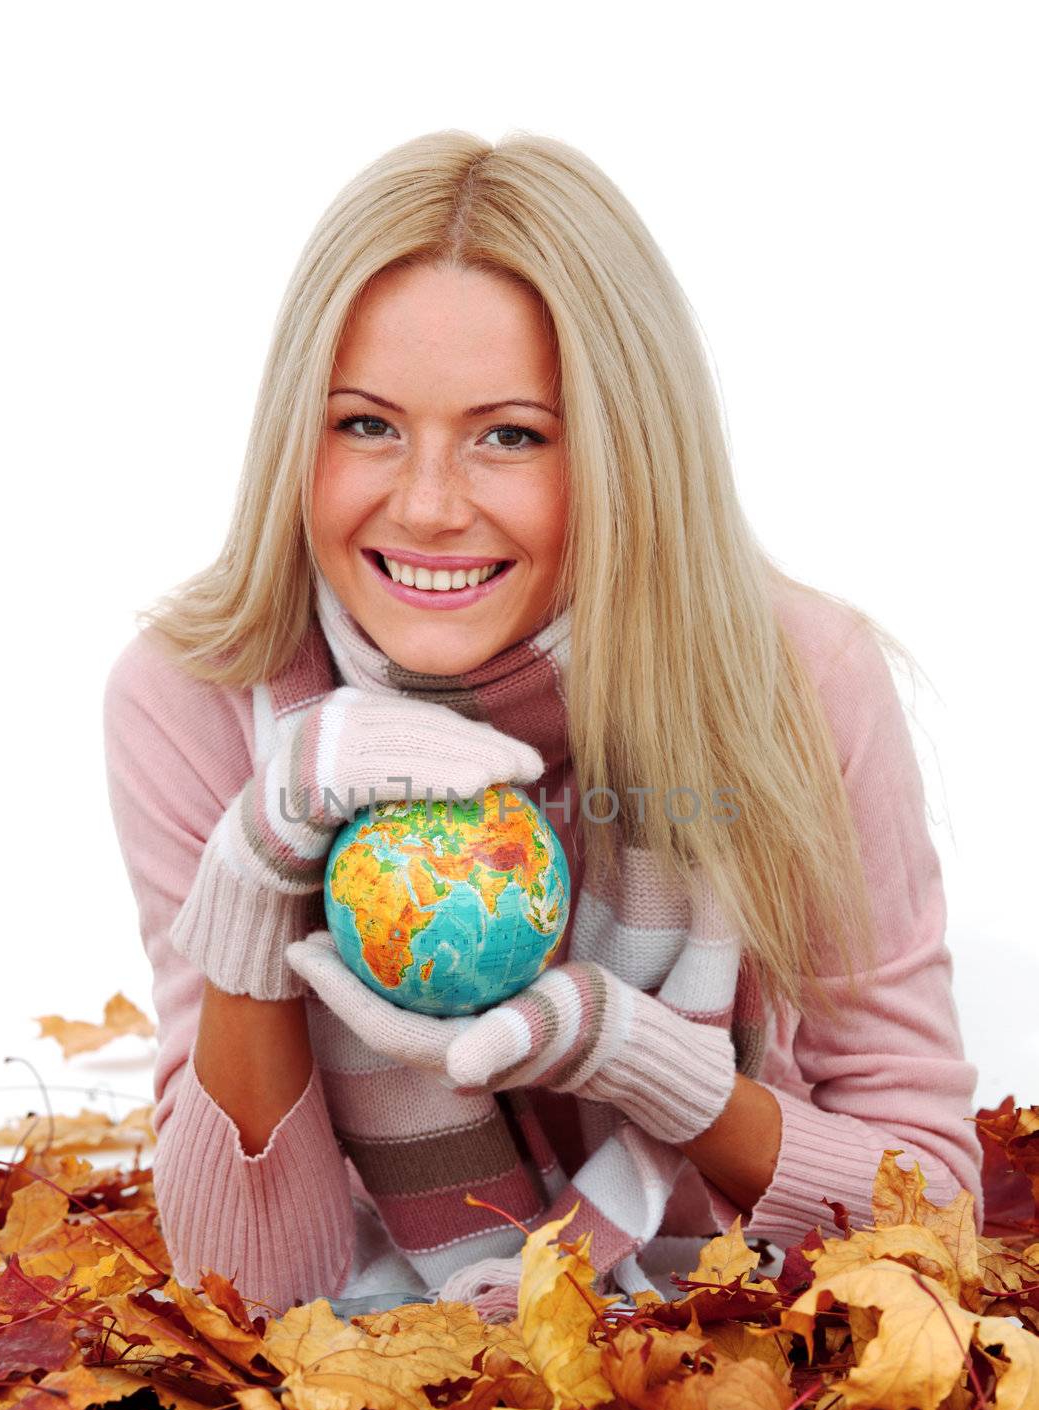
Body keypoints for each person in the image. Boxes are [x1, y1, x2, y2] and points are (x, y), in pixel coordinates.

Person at [102, 129, 984, 1321]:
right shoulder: (199, 698)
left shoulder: (791, 681)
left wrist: (653, 1067)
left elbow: (928, 1212)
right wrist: (258, 870)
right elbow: (245, 1290)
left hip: (728, 1374)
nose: (424, 504)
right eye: (365, 423)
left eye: (508, 433)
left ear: (622, 454)